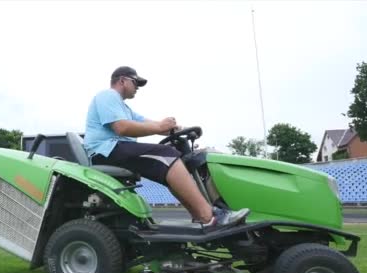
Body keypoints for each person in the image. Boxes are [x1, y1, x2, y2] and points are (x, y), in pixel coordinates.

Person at [83, 66, 250, 230]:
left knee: (171, 167)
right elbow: (122, 128)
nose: (138, 88)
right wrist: (160, 127)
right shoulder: (108, 95)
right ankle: (211, 218)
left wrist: (175, 129)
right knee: (168, 155)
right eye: (136, 83)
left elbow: (149, 123)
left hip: (117, 150)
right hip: (105, 151)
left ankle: (201, 217)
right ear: (122, 81)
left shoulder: (125, 108)